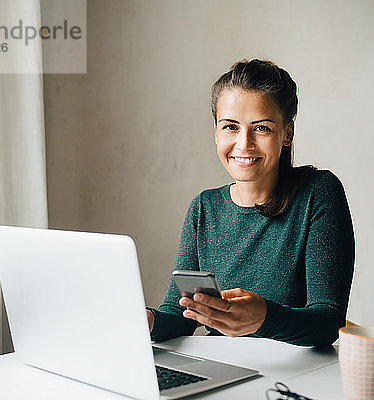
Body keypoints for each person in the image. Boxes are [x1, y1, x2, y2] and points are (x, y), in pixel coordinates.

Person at [145, 59, 354, 347]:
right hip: (223, 368)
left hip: (294, 376)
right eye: (230, 127)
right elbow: (182, 315)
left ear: (287, 133)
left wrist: (265, 318)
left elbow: (327, 322)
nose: (244, 143)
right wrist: (148, 321)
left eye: (262, 128)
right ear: (215, 131)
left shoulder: (319, 193)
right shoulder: (203, 208)